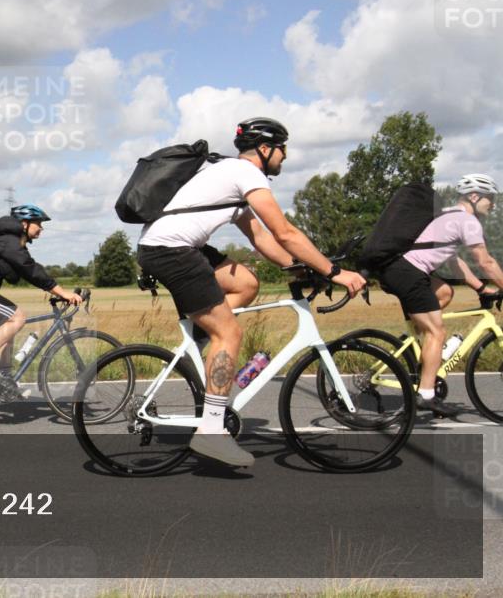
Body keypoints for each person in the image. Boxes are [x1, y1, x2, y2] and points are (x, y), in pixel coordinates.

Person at [137, 117, 367, 467]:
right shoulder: (248, 175)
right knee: (229, 332)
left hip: (170, 245)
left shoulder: (232, 176)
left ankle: (201, 344)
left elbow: (262, 239)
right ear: (265, 149)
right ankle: (212, 431)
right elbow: (285, 232)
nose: (285, 157)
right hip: (172, 249)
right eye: (282, 149)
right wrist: (333, 271)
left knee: (245, 282)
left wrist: (301, 267)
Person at [378, 173, 503, 416]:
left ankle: (421, 350)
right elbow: (486, 262)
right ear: (475, 196)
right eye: (491, 198)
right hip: (408, 272)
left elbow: (454, 262)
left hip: (402, 269)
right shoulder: (467, 221)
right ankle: (425, 395)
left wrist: (480, 288)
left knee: (445, 292)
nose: (494, 204)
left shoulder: (448, 215)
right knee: (437, 331)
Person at [0, 204, 83, 399]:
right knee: (18, 317)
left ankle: (6, 383)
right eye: (38, 224)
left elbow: (29, 268)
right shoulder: (8, 241)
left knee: (7, 330)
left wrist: (56, 289)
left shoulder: (12, 241)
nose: (41, 228)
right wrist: (63, 292)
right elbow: (31, 270)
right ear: (24, 224)